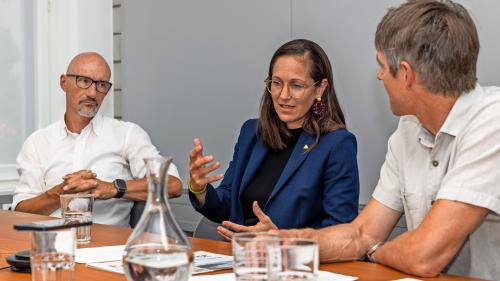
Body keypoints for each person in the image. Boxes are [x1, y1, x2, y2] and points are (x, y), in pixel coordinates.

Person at [276, 1, 500, 279]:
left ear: (406, 74)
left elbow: (424, 256)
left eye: (382, 65)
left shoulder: (493, 121)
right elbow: (361, 233)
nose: (379, 75)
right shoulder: (407, 130)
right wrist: (284, 243)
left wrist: (376, 250)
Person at [188, 39, 360, 240]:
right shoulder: (252, 132)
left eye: (296, 85)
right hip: (242, 260)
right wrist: (199, 188)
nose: (283, 95)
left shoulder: (337, 144)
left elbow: (341, 232)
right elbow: (227, 207)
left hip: (297, 265)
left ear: (320, 88)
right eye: (276, 83)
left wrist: (280, 239)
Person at [12, 52, 183, 227]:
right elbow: (20, 212)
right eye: (84, 81)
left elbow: (173, 185)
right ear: (64, 83)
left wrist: (113, 188)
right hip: (53, 247)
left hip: (111, 249)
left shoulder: (127, 134)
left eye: (101, 85)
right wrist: (61, 192)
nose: (93, 93)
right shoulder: (37, 142)